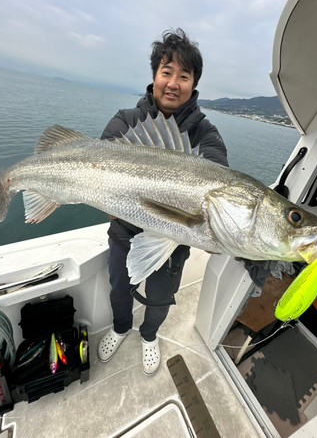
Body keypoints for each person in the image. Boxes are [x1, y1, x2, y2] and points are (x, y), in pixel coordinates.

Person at [97, 28, 228, 376]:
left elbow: (215, 186)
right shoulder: (126, 120)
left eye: (183, 76)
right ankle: (121, 326)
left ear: (193, 84)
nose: (173, 83)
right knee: (118, 289)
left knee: (159, 300)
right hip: (124, 233)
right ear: (154, 76)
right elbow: (99, 164)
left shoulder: (205, 135)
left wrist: (218, 229)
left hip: (172, 245)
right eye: (166, 72)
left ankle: (149, 335)